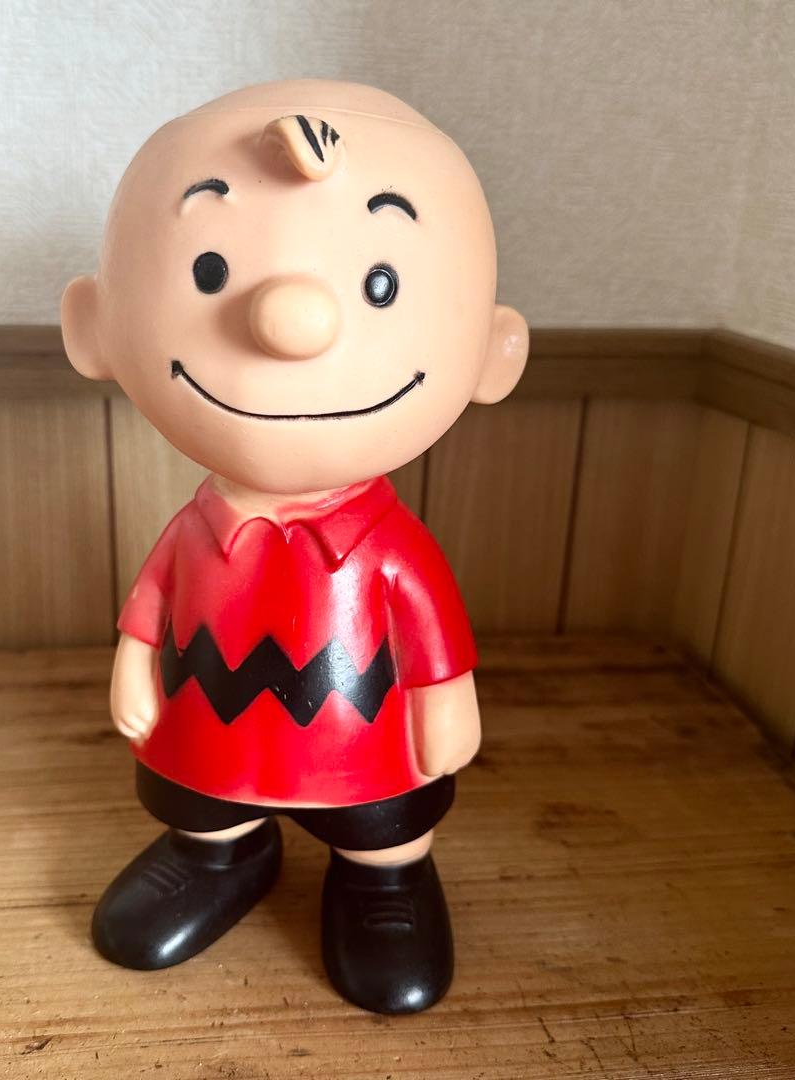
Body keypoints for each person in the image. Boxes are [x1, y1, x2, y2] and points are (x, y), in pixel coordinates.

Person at [61, 79, 528, 1014]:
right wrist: (133, 665)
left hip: (365, 738)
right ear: (93, 328)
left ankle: (386, 880)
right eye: (210, 270)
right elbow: (153, 605)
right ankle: (216, 857)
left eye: (380, 284)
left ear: (492, 352)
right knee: (200, 798)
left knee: (383, 820)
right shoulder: (194, 531)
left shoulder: (391, 550)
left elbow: (431, 634)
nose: (291, 322)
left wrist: (445, 703)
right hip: (211, 722)